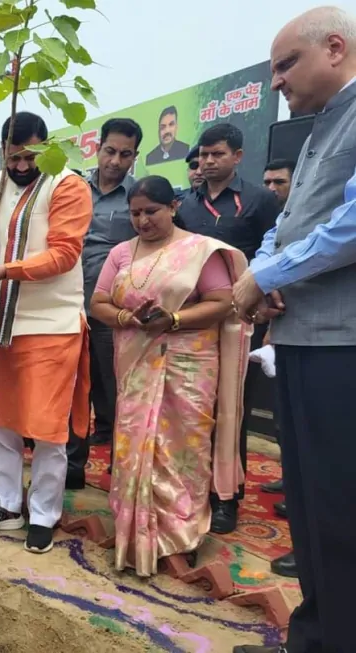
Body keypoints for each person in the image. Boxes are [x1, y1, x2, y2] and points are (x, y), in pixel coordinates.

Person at [231, 7, 356, 653]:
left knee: (341, 511)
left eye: (286, 65)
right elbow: (288, 225)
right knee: (307, 510)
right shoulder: (314, 133)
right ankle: (313, 637)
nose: (276, 81)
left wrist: (269, 272)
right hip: (302, 340)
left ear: (334, 48)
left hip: (344, 347)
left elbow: (352, 225)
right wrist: (264, 272)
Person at [90, 176, 250, 577]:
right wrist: (127, 317)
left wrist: (174, 319)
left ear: (173, 207)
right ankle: (136, 531)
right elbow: (98, 302)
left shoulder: (199, 251)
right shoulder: (121, 254)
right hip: (136, 360)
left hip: (188, 364)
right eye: (135, 213)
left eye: (151, 211)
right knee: (133, 443)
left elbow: (223, 300)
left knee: (183, 449)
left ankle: (181, 535)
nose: (143, 220)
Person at [0, 112, 92, 554]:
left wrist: (6, 269)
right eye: (12, 156)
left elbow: (64, 254)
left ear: (45, 147)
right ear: (2, 150)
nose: (19, 165)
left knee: (48, 426)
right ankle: (6, 503)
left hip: (50, 325)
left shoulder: (68, 185)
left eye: (28, 155)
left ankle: (43, 514)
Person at [178, 122, 280, 535]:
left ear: (237, 156)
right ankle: (192, 488)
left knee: (230, 411)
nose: (207, 162)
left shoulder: (260, 200)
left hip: (241, 321)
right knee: (193, 406)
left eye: (216, 154)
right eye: (203, 155)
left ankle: (226, 499)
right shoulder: (184, 204)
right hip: (192, 321)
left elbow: (277, 249)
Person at [66, 118, 142, 489]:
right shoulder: (74, 189)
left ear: (135, 156)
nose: (115, 161)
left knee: (115, 393)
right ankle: (73, 466)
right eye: (109, 151)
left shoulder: (137, 198)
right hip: (67, 306)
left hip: (113, 313)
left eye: (124, 154)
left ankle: (122, 469)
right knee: (72, 391)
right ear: (97, 149)